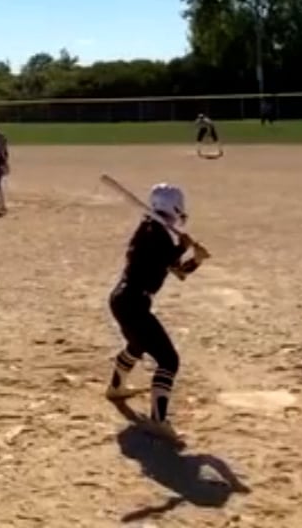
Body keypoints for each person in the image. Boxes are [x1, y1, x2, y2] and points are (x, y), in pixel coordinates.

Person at [104, 183, 210, 448]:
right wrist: (182, 246)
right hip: (132, 302)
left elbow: (179, 271)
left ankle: (116, 388)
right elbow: (164, 257)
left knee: (137, 344)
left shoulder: (154, 231)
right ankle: (158, 421)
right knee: (169, 360)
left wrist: (196, 258)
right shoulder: (153, 233)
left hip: (125, 301)